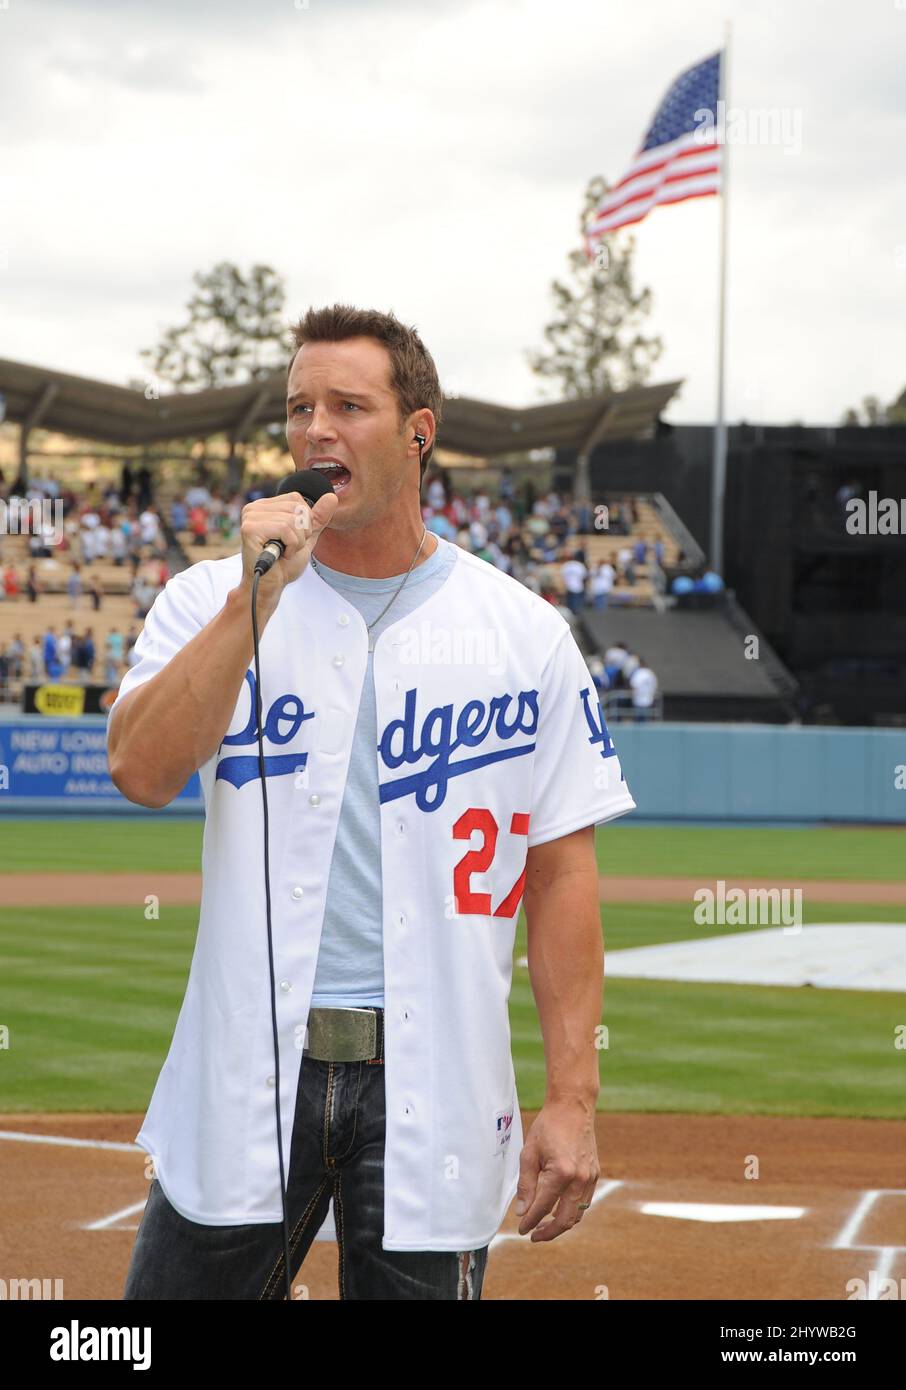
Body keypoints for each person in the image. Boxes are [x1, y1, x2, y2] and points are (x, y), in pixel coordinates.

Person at [107, 303, 636, 1303]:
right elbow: (140, 771)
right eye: (301, 407)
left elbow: (562, 876)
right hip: (249, 1072)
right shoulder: (208, 600)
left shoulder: (523, 634)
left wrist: (573, 1097)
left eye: (349, 405)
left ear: (418, 432)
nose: (316, 431)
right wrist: (250, 602)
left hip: (432, 1078)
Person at [629, 656, 658, 722]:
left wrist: (632, 695)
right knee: (647, 721)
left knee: (639, 721)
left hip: (638, 699)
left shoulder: (638, 673)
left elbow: (634, 685)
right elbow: (654, 686)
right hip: (648, 699)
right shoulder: (650, 673)